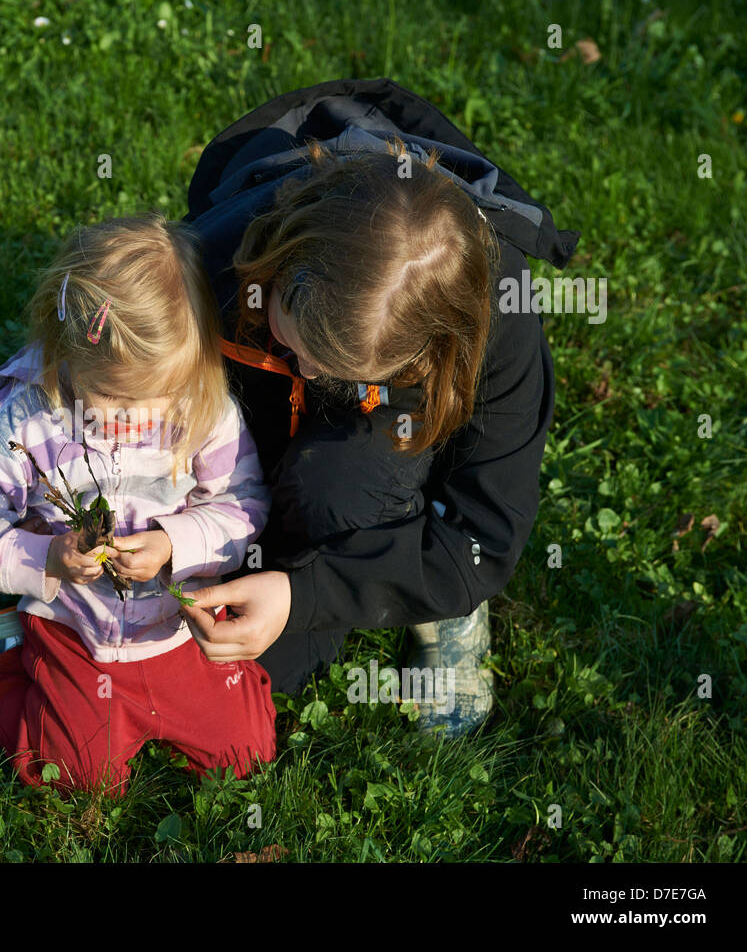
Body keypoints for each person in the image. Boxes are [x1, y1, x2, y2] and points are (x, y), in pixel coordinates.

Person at [176, 78, 581, 736]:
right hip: (246, 417)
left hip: (370, 461)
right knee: (195, 667)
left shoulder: (498, 317)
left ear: (435, 348)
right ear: (277, 262)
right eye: (293, 339)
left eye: (333, 366)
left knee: (335, 500)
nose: (308, 368)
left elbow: (485, 533)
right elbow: (110, 361)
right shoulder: (217, 252)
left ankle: (436, 600)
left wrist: (300, 594)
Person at [0, 215, 275, 796]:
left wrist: (173, 542)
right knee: (77, 779)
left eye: (156, 396)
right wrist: (48, 558)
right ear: (66, 351)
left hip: (178, 631)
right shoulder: (23, 422)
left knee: (245, 754)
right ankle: (7, 659)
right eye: (112, 395)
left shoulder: (202, 411)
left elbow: (243, 504)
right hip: (76, 630)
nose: (134, 418)